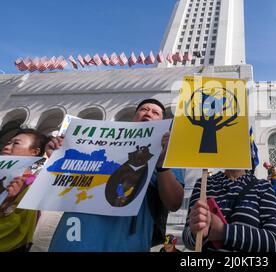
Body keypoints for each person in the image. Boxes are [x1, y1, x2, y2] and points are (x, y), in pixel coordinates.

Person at [47, 98, 185, 252]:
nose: (148, 113)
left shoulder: (168, 152)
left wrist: (161, 164)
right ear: (134, 116)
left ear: (162, 122)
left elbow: (174, 203)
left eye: (155, 113)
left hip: (127, 239)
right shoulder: (96, 143)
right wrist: (58, 155)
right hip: (76, 233)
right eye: (144, 109)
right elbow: (64, 184)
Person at [182, 169, 276, 252]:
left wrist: (223, 231)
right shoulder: (203, 184)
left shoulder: (263, 187)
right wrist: (196, 233)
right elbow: (187, 239)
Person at [0, 128, 49, 252]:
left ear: (34, 152)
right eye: (8, 142)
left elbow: (15, 236)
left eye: (16, 143)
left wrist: (7, 205)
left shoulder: (31, 187)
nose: (7, 147)